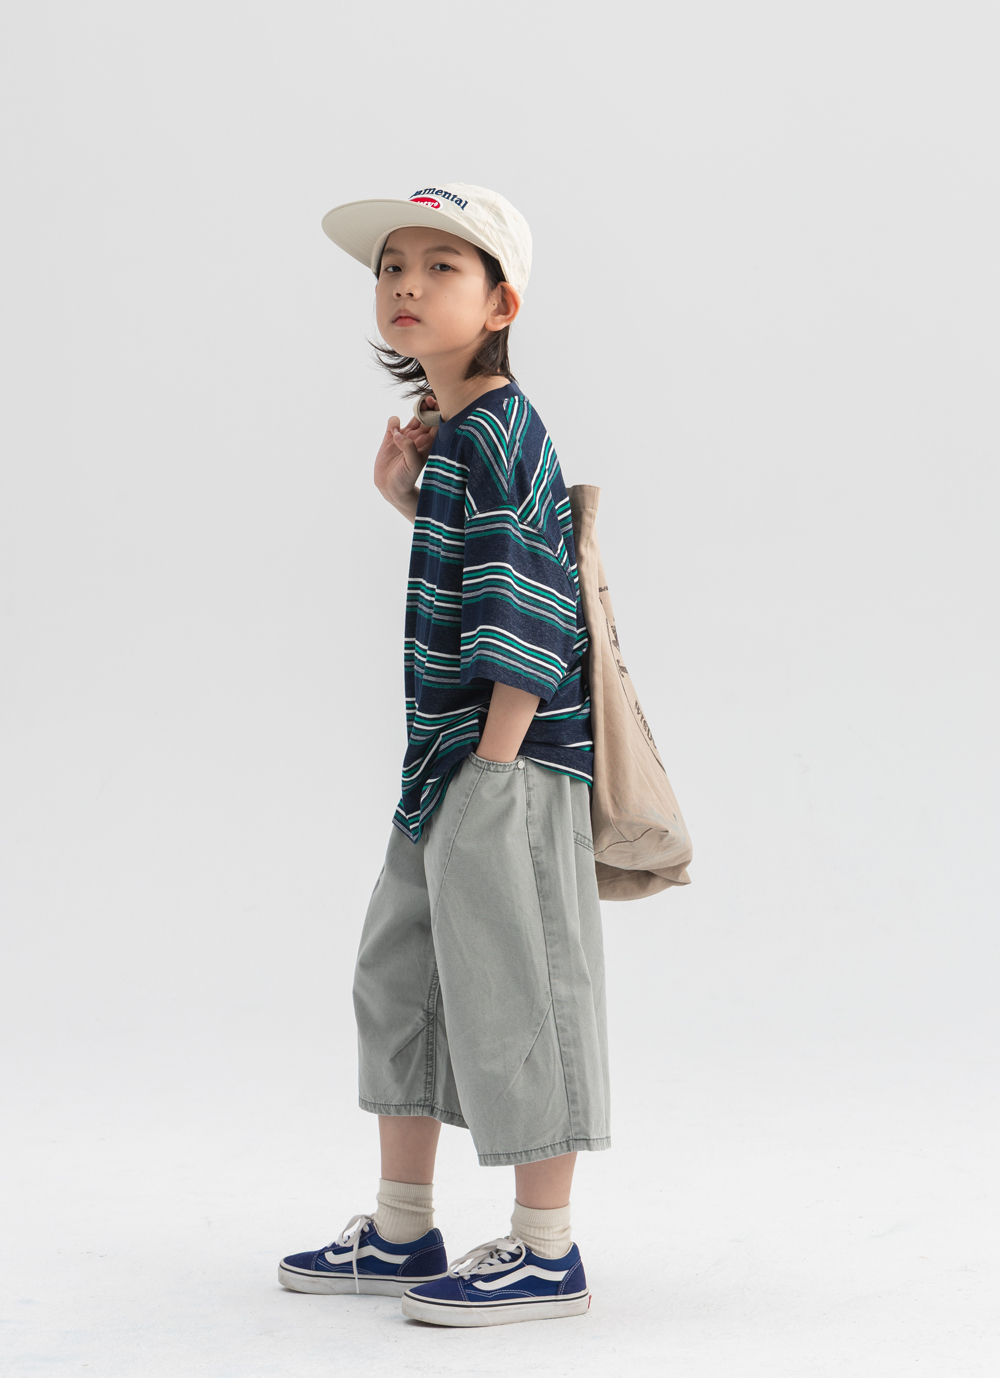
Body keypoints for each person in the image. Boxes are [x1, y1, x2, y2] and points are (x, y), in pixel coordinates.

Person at [278, 183, 609, 1327]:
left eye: (440, 266)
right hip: (448, 768)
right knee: (401, 983)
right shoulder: (461, 436)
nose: (406, 284)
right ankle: (403, 1226)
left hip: (503, 767)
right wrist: (409, 498)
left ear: (502, 303)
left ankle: (546, 1250)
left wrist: (493, 775)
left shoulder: (502, 429)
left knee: (524, 992)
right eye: (391, 267)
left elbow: (532, 617)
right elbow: (482, 570)